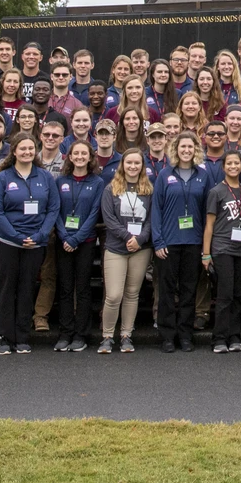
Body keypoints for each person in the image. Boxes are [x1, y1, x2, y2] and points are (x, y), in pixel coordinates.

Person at [0, 133, 59, 355]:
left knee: (27, 288)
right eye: (22, 149)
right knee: (6, 288)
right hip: (6, 241)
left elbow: (53, 208)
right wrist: (15, 236)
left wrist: (42, 234)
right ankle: (3, 336)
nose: (27, 152)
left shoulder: (45, 177)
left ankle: (22, 336)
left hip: (35, 242)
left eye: (31, 148)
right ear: (14, 151)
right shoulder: (3, 177)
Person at [152, 131, 210, 353]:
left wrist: (206, 246)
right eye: (182, 147)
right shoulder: (165, 175)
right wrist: (158, 241)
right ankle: (167, 335)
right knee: (166, 291)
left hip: (193, 242)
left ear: (195, 150)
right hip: (168, 242)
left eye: (190, 147)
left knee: (188, 290)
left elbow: (207, 213)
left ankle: (185, 334)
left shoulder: (203, 176)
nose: (186, 150)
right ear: (175, 149)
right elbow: (156, 210)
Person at [52, 138, 107, 352]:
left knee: (82, 288)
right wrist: (65, 236)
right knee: (65, 288)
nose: (80, 157)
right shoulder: (60, 181)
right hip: (63, 240)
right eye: (76, 153)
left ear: (90, 157)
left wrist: (76, 239)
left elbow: (95, 213)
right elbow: (55, 210)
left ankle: (81, 334)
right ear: (70, 156)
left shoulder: (97, 182)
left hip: (85, 241)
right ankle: (65, 332)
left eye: (84, 153)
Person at [98, 150, 154, 354]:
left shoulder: (149, 189)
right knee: (113, 295)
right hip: (116, 247)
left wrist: (139, 239)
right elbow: (109, 219)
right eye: (129, 162)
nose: (133, 166)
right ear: (123, 164)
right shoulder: (111, 188)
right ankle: (106, 336)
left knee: (132, 294)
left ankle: (126, 334)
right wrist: (127, 237)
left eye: (137, 163)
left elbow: (151, 220)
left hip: (140, 248)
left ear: (142, 165)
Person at [201, 148, 241, 353]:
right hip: (222, 248)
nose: (233, 166)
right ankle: (219, 337)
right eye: (229, 163)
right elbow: (209, 225)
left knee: (239, 293)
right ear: (223, 167)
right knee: (225, 293)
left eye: (236, 163)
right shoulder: (216, 192)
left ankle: (234, 335)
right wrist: (206, 254)